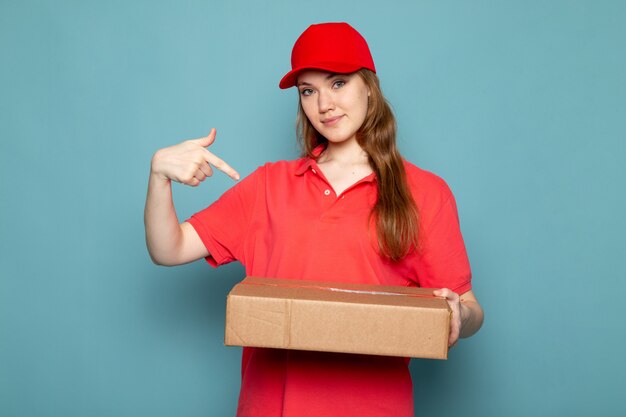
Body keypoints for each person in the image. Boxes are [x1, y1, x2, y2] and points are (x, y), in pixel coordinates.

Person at [145, 22, 483, 417]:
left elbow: (470, 310)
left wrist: (459, 314)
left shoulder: (425, 193)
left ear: (369, 87)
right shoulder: (269, 186)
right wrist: (159, 178)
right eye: (309, 90)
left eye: (338, 83)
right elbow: (168, 249)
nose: (323, 104)